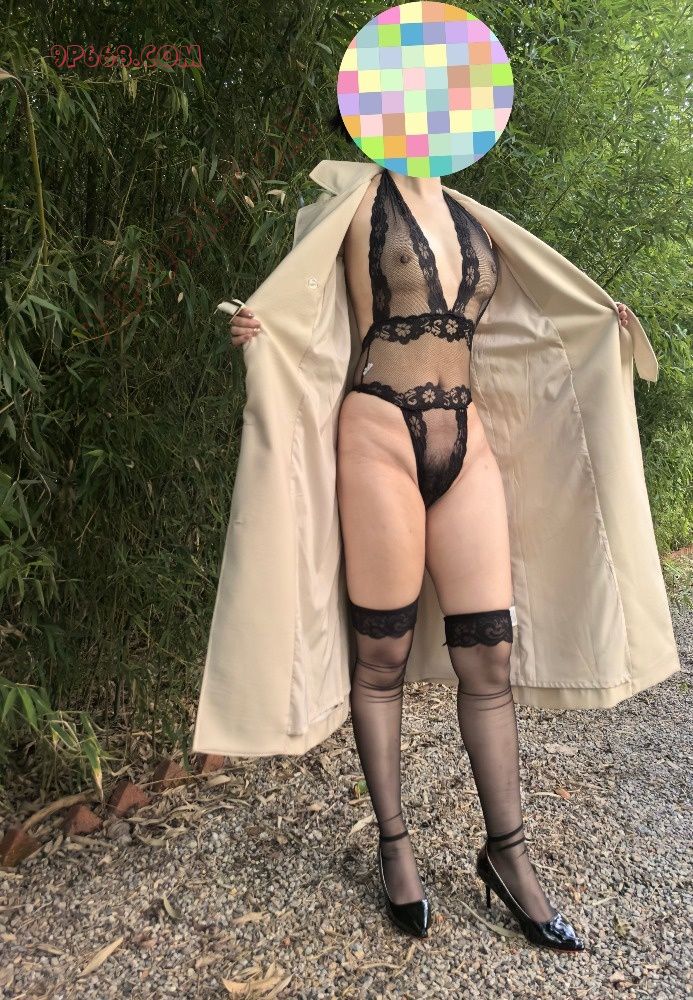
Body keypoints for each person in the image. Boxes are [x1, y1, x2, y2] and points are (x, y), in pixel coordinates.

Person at [228, 134, 631, 948]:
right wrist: (259, 330)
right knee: (381, 655)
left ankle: (506, 853)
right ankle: (395, 846)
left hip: (466, 438)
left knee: (488, 657)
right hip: (377, 429)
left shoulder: (476, 219)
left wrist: (599, 326)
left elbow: (525, 323)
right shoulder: (351, 200)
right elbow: (304, 305)